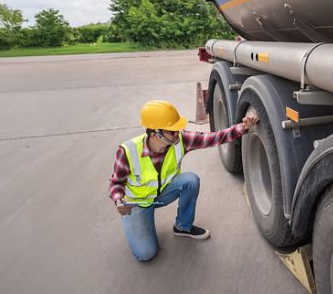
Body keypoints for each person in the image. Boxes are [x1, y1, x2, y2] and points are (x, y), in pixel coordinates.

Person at [109, 100, 259, 261]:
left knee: (190, 181)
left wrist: (243, 127)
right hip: (138, 204)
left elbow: (215, 137)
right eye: (172, 131)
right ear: (155, 134)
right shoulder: (128, 151)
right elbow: (116, 183)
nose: (177, 134)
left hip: (164, 193)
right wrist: (119, 200)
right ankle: (138, 223)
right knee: (146, 254)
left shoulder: (181, 140)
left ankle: (183, 226)